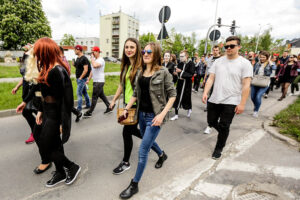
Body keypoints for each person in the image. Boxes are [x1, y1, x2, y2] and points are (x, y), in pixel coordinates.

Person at [119, 42, 176, 199]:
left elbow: (172, 95)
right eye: (144, 51)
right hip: (141, 116)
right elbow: (135, 94)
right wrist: (126, 109)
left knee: (143, 150)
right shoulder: (141, 72)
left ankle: (134, 184)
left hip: (154, 117)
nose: (145, 53)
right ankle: (162, 155)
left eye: (149, 51)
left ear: (156, 53)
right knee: (147, 140)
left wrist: (162, 115)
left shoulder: (163, 72)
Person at [109, 38, 165, 175]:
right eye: (126, 47)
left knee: (127, 132)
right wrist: (114, 99)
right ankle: (161, 153)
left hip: (137, 105)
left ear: (137, 49)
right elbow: (122, 85)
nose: (129, 50)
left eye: (132, 47)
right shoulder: (126, 65)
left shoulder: (141, 66)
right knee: (136, 132)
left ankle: (126, 162)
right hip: (127, 103)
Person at [33, 37, 81, 187]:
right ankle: (60, 172)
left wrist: (62, 122)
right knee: (53, 144)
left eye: (38, 52)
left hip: (55, 115)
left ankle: (72, 167)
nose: (36, 55)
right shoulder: (47, 68)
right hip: (47, 112)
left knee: (46, 145)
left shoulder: (57, 71)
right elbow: (45, 95)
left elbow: (65, 100)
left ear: (45, 52)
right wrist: (41, 111)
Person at [202, 36, 253, 159]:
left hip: (232, 100)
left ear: (239, 47)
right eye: (226, 46)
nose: (228, 48)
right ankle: (224, 133)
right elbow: (211, 78)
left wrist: (242, 103)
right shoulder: (218, 61)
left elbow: (246, 85)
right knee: (211, 121)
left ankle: (218, 148)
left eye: (232, 46)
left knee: (224, 125)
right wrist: (205, 92)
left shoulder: (245, 64)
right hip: (215, 98)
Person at [11, 44, 36, 144]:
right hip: (26, 90)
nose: (25, 52)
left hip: (33, 90)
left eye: (27, 50)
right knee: (27, 112)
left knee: (32, 111)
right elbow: (25, 77)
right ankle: (36, 131)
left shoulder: (33, 60)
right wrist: (17, 87)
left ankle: (37, 132)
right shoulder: (25, 60)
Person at [83, 46, 112, 117]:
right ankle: (109, 106)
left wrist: (92, 59)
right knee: (101, 95)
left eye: (93, 52)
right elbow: (92, 71)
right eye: (92, 52)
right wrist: (88, 79)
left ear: (98, 52)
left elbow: (95, 66)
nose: (92, 53)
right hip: (96, 81)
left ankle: (90, 112)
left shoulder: (100, 60)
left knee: (94, 96)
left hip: (99, 81)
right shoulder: (95, 60)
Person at [59, 46, 82, 122]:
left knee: (65, 104)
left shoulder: (62, 61)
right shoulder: (63, 60)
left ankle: (64, 124)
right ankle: (77, 113)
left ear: (60, 52)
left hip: (64, 84)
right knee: (66, 104)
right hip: (65, 84)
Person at [170, 50, 195, 120]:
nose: (180, 58)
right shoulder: (180, 64)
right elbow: (177, 73)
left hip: (187, 85)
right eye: (180, 56)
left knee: (187, 98)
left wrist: (181, 72)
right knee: (177, 98)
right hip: (180, 84)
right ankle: (176, 114)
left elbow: (190, 74)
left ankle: (189, 108)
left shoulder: (191, 64)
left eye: (182, 56)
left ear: (186, 56)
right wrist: (176, 74)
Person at [203, 45, 221, 134]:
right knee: (211, 100)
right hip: (210, 80)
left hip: (219, 82)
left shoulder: (221, 59)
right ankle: (210, 124)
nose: (215, 51)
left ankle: (212, 123)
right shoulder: (210, 59)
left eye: (216, 50)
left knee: (217, 102)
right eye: (214, 50)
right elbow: (207, 69)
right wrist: (205, 78)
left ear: (219, 51)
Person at [250, 51, 275, 117]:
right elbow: (253, 71)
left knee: (258, 96)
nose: (262, 58)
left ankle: (256, 111)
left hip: (264, 83)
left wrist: (269, 61)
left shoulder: (270, 64)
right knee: (252, 97)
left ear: (267, 57)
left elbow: (274, 68)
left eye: (264, 57)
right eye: (261, 57)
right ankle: (256, 105)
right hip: (255, 81)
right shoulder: (257, 63)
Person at [73, 45, 91, 112]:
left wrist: (80, 78)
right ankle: (88, 104)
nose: (74, 51)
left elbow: (86, 70)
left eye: (75, 50)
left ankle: (79, 108)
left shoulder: (84, 58)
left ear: (79, 50)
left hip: (82, 79)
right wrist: (74, 65)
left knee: (78, 93)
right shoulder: (78, 58)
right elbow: (78, 68)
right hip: (79, 79)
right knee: (84, 92)